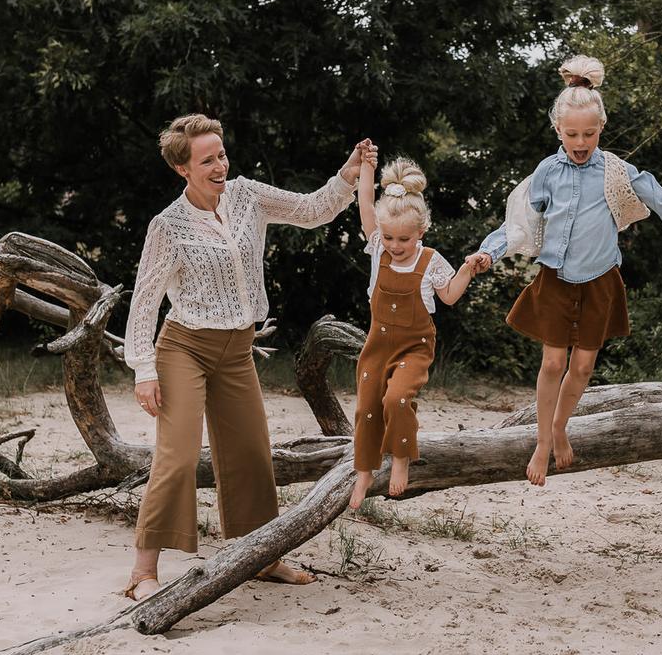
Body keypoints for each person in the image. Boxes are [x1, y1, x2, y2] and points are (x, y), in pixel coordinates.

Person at [122, 114, 375, 601]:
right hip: (184, 347)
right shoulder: (167, 226)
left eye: (221, 154)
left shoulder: (247, 195)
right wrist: (144, 370)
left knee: (252, 454)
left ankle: (260, 557)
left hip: (237, 350)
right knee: (176, 456)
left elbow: (311, 209)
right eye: (207, 160)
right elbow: (145, 299)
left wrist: (348, 173)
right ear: (183, 169)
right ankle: (142, 571)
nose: (220, 165)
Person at [469, 56, 662, 485]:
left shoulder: (616, 172)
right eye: (572, 133)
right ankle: (540, 441)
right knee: (553, 363)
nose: (581, 140)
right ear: (558, 131)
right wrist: (489, 253)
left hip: (599, 281)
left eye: (589, 133)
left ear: (601, 129)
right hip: (555, 278)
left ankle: (560, 426)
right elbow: (519, 222)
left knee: (584, 367)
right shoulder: (547, 172)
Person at [348, 155, 480, 509]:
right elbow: (364, 202)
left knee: (397, 399)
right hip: (377, 345)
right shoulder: (378, 249)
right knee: (367, 408)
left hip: (415, 347)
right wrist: (367, 168)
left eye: (403, 238)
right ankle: (363, 472)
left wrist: (468, 269)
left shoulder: (430, 261)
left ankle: (402, 458)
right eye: (389, 236)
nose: (394, 244)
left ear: (421, 232)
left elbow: (449, 295)